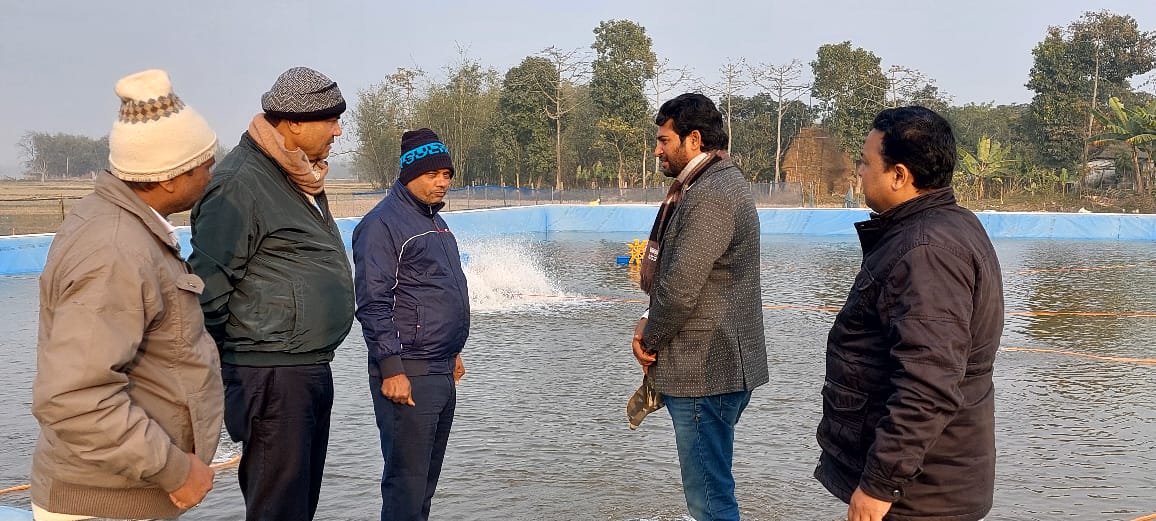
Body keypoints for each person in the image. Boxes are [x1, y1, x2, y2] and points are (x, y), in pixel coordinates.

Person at [31, 69, 222, 520]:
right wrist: (175, 469)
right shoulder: (116, 250)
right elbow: (73, 399)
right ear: (171, 177)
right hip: (106, 505)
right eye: (205, 165)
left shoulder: (125, 226)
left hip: (125, 495)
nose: (211, 175)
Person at [814, 106, 1004, 521]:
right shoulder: (947, 225)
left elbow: (928, 382)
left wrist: (880, 485)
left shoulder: (925, 251)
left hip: (921, 493)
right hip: (931, 480)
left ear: (899, 175)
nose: (859, 172)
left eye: (866, 163)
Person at [188, 66, 354, 521]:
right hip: (271, 375)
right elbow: (205, 291)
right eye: (331, 120)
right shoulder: (241, 183)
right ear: (293, 122)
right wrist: (236, 374)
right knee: (278, 509)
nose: (339, 130)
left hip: (303, 368)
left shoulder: (295, 174)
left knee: (296, 507)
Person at [630, 93, 769, 521]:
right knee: (711, 489)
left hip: (705, 369)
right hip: (717, 363)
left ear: (693, 139)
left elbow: (681, 289)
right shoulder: (714, 183)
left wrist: (648, 339)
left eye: (664, 140)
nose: (657, 150)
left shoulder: (710, 193)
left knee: (709, 499)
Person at [352, 128, 469, 521]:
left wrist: (454, 352)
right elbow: (373, 301)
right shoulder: (383, 224)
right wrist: (391, 369)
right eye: (433, 174)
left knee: (425, 484)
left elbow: (437, 292)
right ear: (408, 173)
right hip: (408, 371)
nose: (442, 182)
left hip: (439, 367)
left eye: (447, 174)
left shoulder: (435, 222)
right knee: (406, 482)